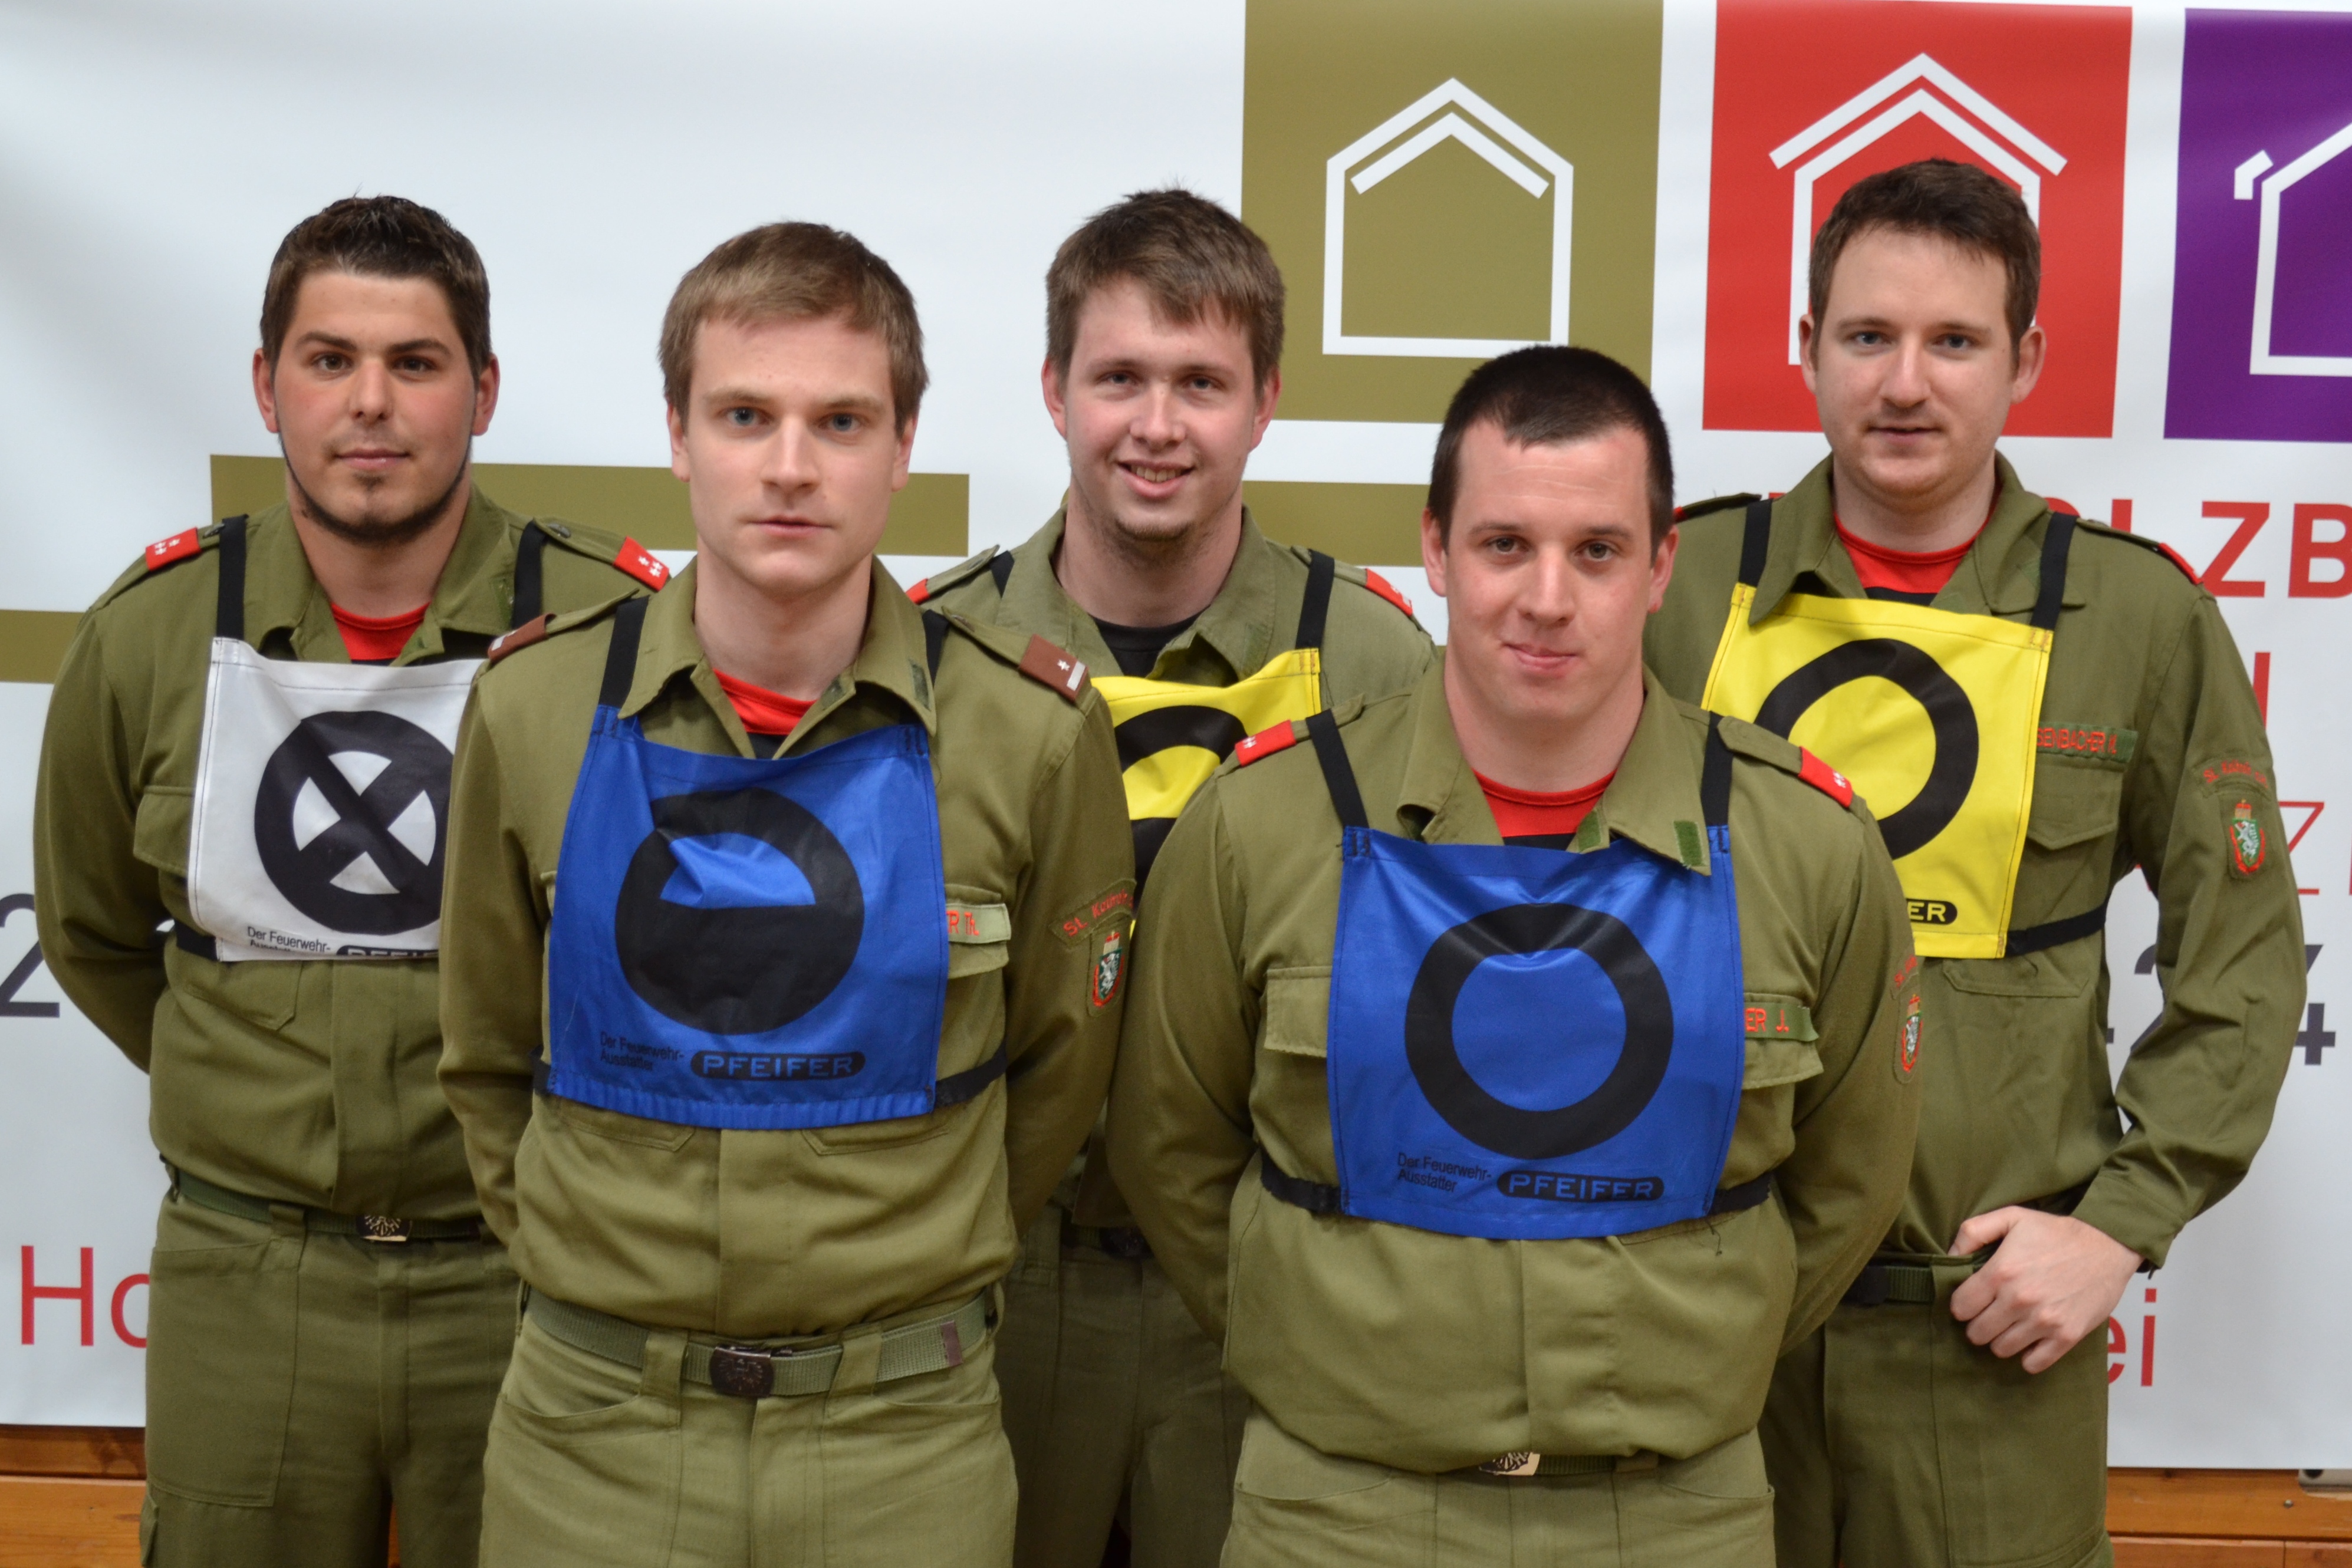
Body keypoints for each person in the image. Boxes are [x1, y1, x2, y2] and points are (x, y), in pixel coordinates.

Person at [1109, 344, 1921, 1566]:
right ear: (1435, 551)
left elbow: (1849, 1180)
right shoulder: (1261, 825)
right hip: (1338, 1511)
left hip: (1672, 1518)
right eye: (1503, 545)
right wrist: (1337, 1345)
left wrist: (1692, 1345)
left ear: (1659, 567)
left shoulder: (1804, 843)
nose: (1547, 598)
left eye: (1596, 550)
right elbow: (1170, 1145)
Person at [435, 220, 1134, 1567]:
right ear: (678, 435)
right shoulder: (534, 708)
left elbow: (1057, 1075)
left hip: (900, 1442)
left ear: (904, 444)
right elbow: (482, 1051)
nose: (791, 466)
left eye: (842, 421)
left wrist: (907, 1255)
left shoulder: (1031, 736)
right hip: (594, 1433)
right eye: (745, 415)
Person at [1644, 159, 2304, 1568]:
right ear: (1805, 345)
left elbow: (2245, 962)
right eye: (1867, 335)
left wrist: (2119, 1225)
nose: (1905, 383)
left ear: (2026, 360)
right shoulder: (1676, 586)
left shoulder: (2136, 616)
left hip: (1984, 1344)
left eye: (1954, 340)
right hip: (1698, 1323)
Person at [32, 195, 664, 1568]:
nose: (370, 404)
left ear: (482, 391)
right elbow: (90, 931)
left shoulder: (615, 634)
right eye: (330, 361)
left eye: (415, 363)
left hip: (531, 1274)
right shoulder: (150, 634)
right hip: (249, 1280)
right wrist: (259, 1075)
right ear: (269, 388)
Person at [913, 186, 1432, 1568]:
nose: (1158, 424)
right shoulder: (930, 656)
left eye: (1201, 382)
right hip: (1001, 1284)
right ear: (1053, 390)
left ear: (1266, 402)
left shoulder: (1380, 664)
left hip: (1268, 1287)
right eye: (1120, 378)